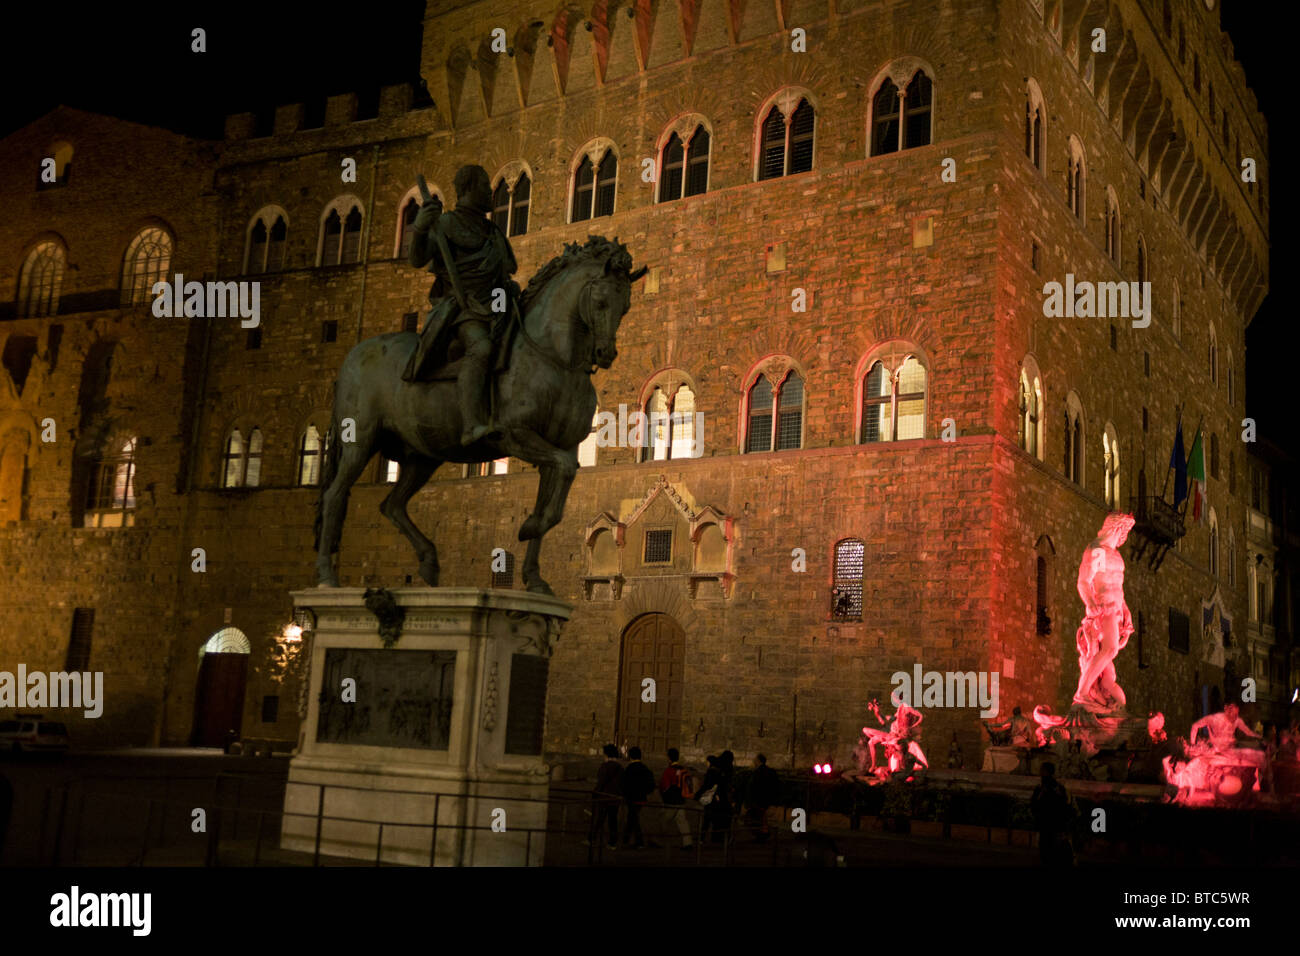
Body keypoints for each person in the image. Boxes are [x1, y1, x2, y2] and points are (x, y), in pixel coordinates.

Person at [402, 164, 520, 446]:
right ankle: (471, 425)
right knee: (481, 348)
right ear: (468, 189)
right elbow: (417, 260)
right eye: (484, 187)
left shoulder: (492, 231)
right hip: (461, 309)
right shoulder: (445, 224)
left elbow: (506, 271)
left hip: (497, 305)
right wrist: (419, 228)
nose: (490, 192)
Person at [1030, 761, 1076, 866]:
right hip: (1053, 822)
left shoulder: (1045, 787)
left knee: (1047, 849)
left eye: (1042, 770)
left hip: (1048, 822)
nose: (1040, 772)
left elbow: (1035, 804)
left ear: (1046, 772)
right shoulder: (1056, 787)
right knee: (1051, 849)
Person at [620, 746, 657, 848]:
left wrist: (624, 795)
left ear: (630, 756)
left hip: (631, 798)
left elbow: (624, 785)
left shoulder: (629, 769)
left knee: (633, 818)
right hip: (641, 798)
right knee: (632, 817)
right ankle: (626, 839)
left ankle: (637, 841)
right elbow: (651, 785)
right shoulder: (645, 769)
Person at [589, 743, 622, 850]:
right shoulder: (620, 768)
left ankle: (592, 839)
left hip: (604, 797)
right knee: (613, 821)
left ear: (606, 754)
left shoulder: (605, 767)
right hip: (615, 798)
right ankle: (612, 843)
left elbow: (601, 782)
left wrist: (595, 793)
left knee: (599, 819)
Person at [659, 747, 694, 848]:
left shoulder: (669, 771)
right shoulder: (683, 769)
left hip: (671, 801)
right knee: (682, 821)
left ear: (669, 758)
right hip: (681, 800)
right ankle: (688, 842)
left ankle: (662, 841)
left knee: (663, 820)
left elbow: (664, 786)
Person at [745, 753, 781, 842]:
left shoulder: (758, 772)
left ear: (758, 761)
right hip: (765, 799)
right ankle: (762, 834)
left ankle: (762, 834)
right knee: (761, 818)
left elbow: (754, 786)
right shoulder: (769, 771)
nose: (753, 761)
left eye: (755, 760)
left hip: (759, 799)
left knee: (758, 818)